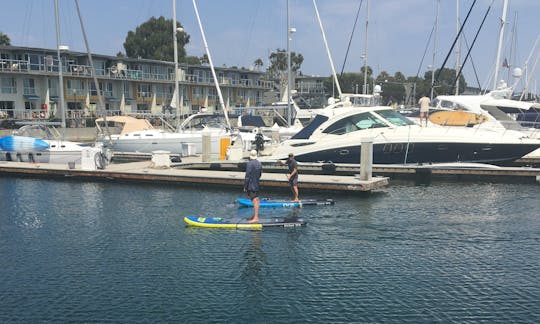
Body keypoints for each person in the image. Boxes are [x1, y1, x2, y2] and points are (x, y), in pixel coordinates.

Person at [244, 149, 262, 223]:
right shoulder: (259, 163)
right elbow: (260, 174)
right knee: (257, 200)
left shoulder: (249, 163)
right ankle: (255, 216)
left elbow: (247, 176)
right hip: (257, 183)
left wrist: (245, 186)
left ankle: (256, 217)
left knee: (254, 200)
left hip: (251, 185)